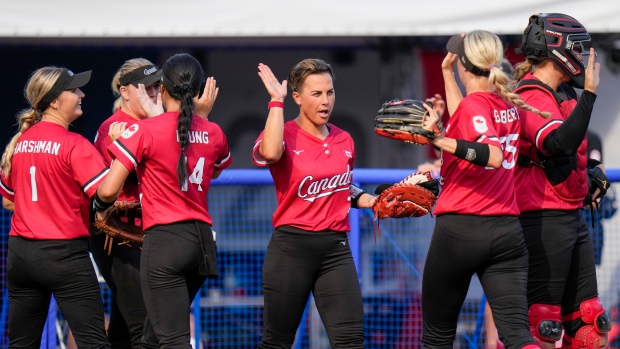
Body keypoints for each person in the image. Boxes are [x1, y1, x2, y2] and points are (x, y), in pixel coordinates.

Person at [420, 30, 548, 349]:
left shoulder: (476, 106)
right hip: (506, 231)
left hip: (461, 230)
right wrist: (446, 74)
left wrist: (437, 139)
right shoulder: (502, 101)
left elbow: (491, 154)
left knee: (437, 337)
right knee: (517, 335)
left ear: (466, 65)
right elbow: (465, 117)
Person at [94, 53, 231, 348]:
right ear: (196, 93)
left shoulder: (144, 130)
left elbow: (106, 191)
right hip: (203, 243)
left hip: (165, 240)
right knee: (152, 335)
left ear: (164, 90)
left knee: (170, 339)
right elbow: (214, 167)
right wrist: (201, 118)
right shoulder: (214, 130)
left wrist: (99, 209)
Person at [251, 58, 376, 348]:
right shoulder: (284, 132)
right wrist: (275, 102)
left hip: (335, 250)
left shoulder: (344, 138)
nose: (326, 101)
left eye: (330, 92)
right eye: (316, 94)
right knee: (276, 342)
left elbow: (343, 188)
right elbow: (269, 153)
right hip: (291, 249)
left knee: (350, 341)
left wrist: (372, 200)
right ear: (297, 97)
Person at [512, 13, 610, 349]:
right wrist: (591, 96)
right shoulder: (529, 94)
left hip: (572, 216)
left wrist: (590, 177)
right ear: (558, 50)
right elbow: (556, 144)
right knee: (544, 327)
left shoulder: (565, 91)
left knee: (590, 326)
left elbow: (571, 153)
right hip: (541, 219)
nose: (583, 57)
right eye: (578, 49)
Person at [0, 67, 111, 348]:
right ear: (53, 101)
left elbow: (8, 200)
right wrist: (122, 150)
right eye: (73, 90)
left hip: (21, 254)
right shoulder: (74, 143)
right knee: (94, 343)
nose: (81, 93)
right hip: (64, 254)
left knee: (21, 344)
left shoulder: (19, 143)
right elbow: (106, 196)